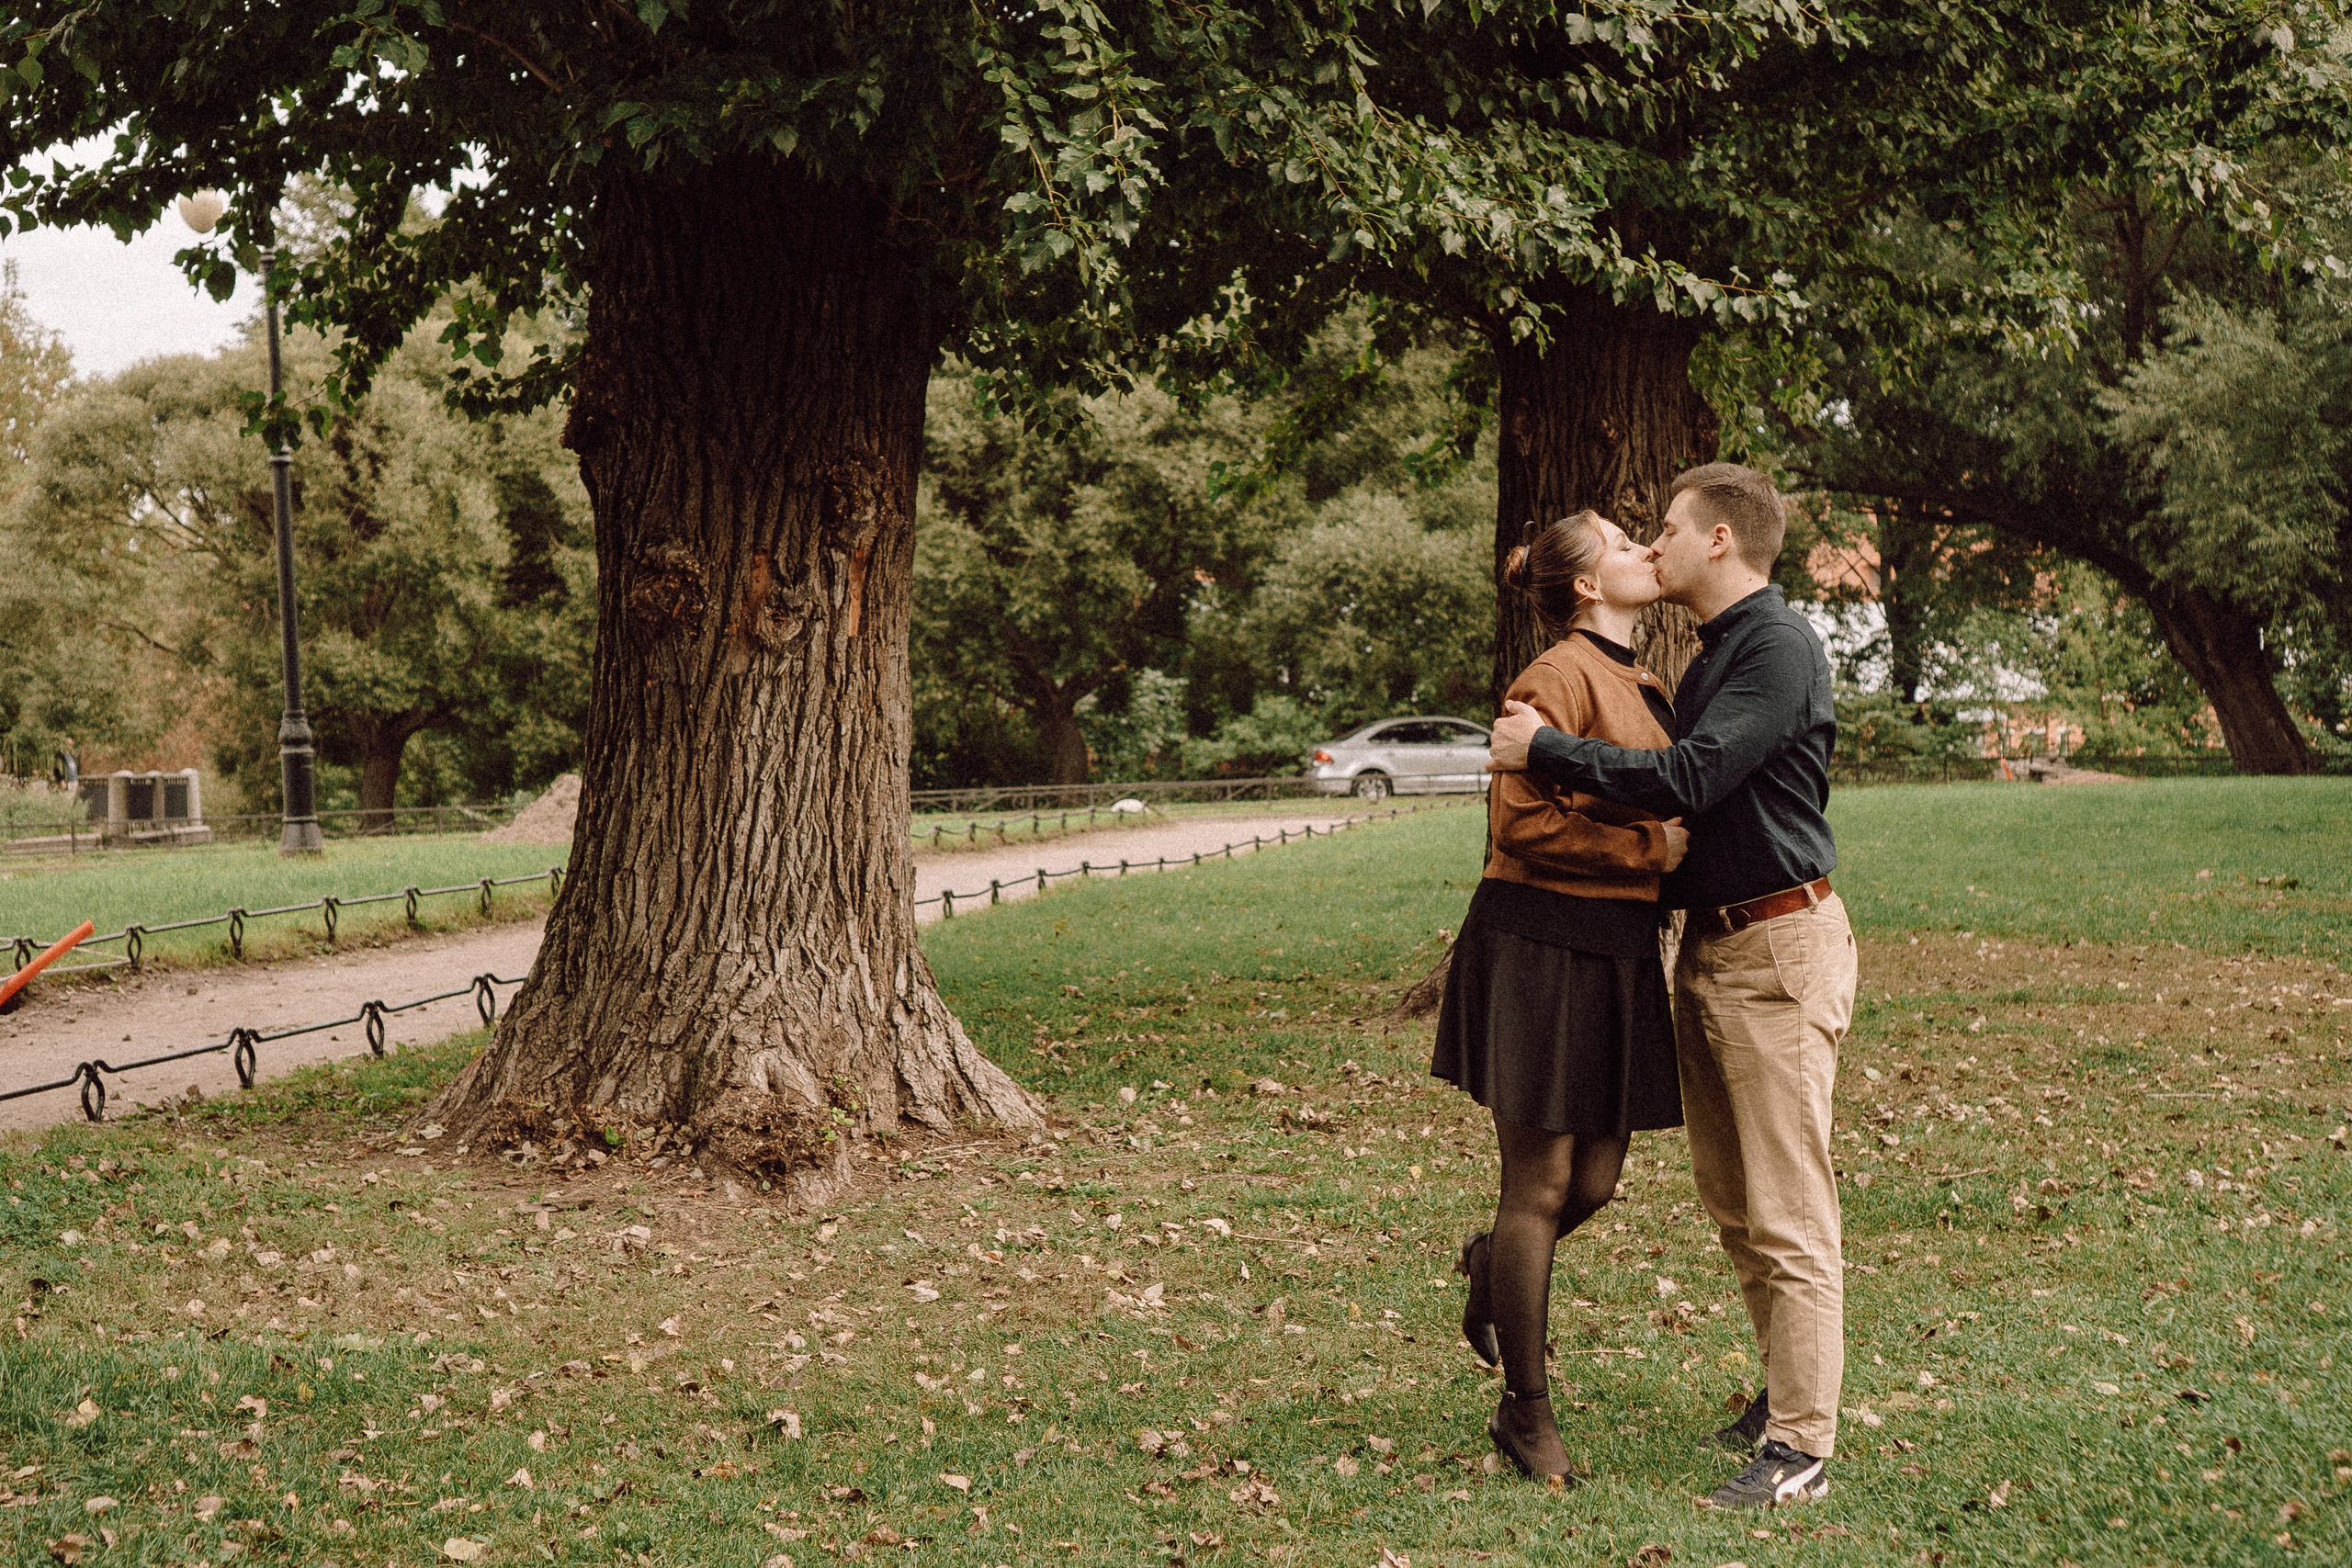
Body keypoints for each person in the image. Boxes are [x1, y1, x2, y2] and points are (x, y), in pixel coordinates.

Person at [1487, 463, 1856, 1510]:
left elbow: (1691, 779)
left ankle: (1800, 1444)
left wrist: (1543, 749)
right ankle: (1781, 1393)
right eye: (1635, 535)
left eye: (1666, 531)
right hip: (1711, 949)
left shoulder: (1774, 650)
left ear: (1720, 543)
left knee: (1787, 1211)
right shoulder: (1710, 655)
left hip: (1777, 947)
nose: (1654, 546)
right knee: (1738, 1205)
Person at [1431, 509, 1690, 1483]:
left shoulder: (1644, 681)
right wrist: (1645, 849)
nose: (1642, 553)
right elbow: (1521, 824)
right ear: (1584, 586)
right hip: (1539, 942)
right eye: (1624, 545)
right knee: (1539, 1186)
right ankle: (1525, 1415)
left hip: (1618, 949)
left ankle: (1492, 1262)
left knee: (1594, 1183)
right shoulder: (1551, 678)